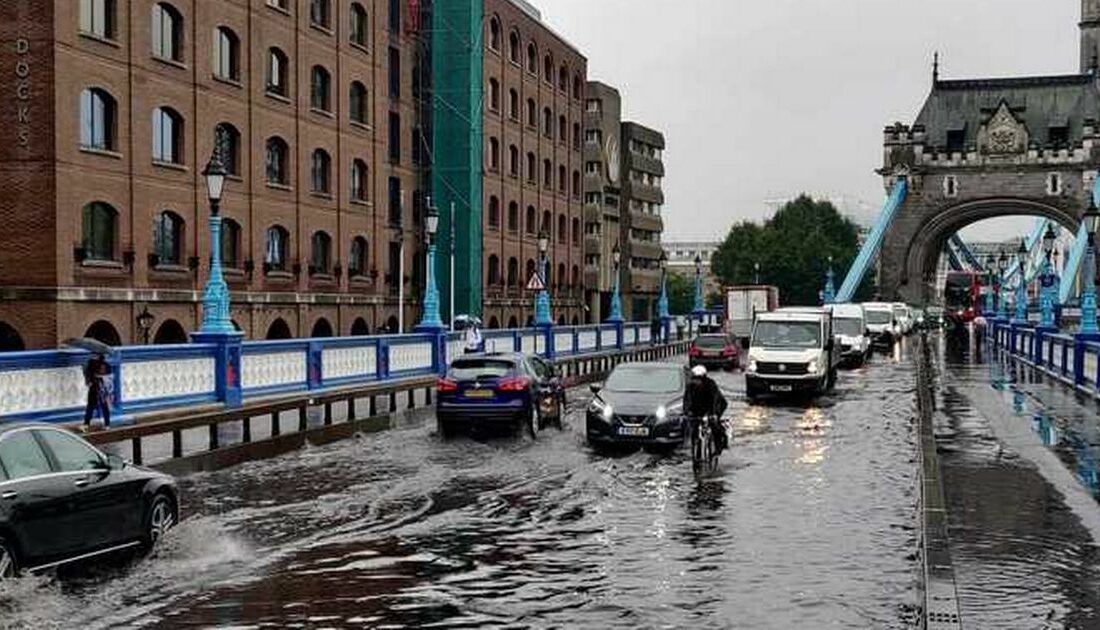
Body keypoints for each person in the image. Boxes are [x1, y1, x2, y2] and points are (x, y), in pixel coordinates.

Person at [683, 365, 728, 453]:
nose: (696, 381)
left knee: (714, 424)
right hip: (699, 407)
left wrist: (714, 414)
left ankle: (719, 445)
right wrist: (686, 412)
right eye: (694, 379)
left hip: (714, 405)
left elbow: (715, 400)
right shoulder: (690, 386)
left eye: (698, 379)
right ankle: (696, 448)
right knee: (694, 426)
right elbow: (687, 400)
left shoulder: (711, 385)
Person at [83, 353, 112, 430]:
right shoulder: (106, 364)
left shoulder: (91, 363)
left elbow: (87, 373)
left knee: (91, 406)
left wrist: (89, 380)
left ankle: (86, 424)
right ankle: (107, 424)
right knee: (104, 406)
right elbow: (109, 376)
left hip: (95, 387)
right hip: (103, 388)